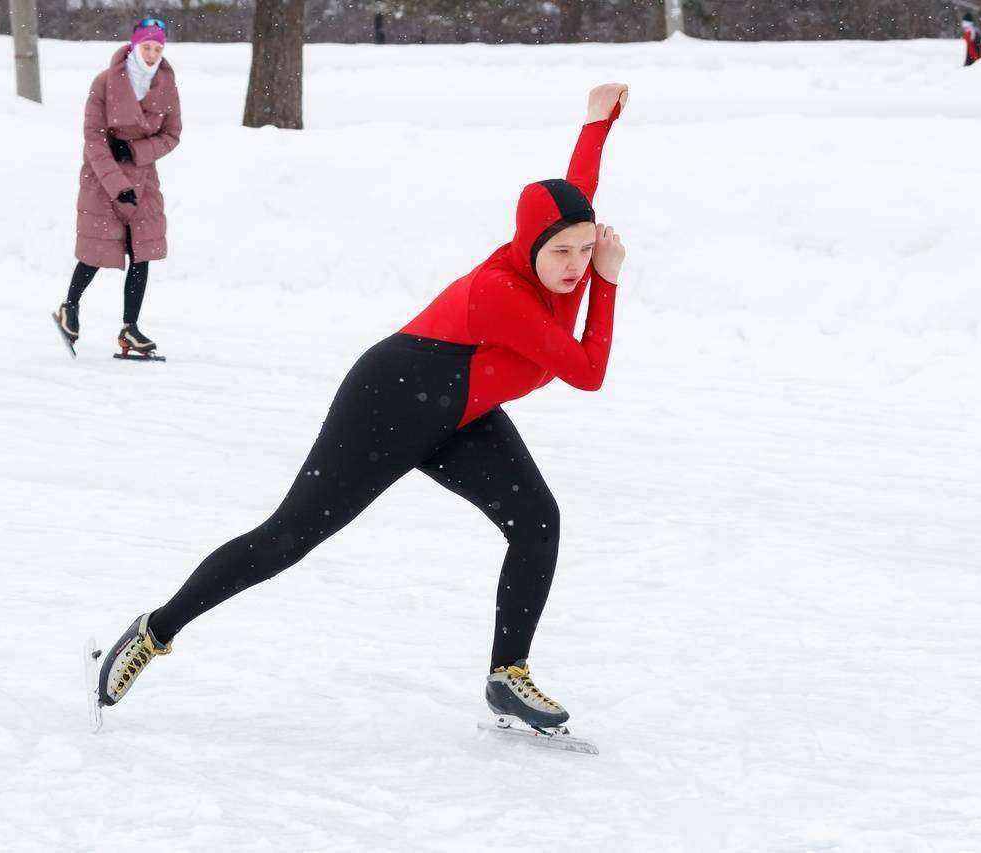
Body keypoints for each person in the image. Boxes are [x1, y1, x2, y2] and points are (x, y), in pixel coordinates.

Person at [95, 84, 630, 732]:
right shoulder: (503, 293)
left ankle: (506, 674)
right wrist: (607, 279)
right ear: (529, 245)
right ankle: (155, 630)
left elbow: (574, 189)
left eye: (583, 249)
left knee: (537, 518)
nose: (574, 265)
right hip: (388, 401)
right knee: (287, 537)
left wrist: (596, 121)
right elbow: (589, 371)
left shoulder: (557, 257)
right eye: (562, 252)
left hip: (459, 414)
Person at [53, 18, 182, 358]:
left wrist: (138, 151)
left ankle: (130, 329)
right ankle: (70, 308)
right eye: (147, 47)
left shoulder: (167, 85)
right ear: (134, 46)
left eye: (158, 48)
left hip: (143, 179)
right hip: (103, 177)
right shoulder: (106, 82)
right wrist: (116, 182)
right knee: (98, 249)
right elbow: (93, 139)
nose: (152, 54)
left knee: (142, 253)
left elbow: (172, 135)